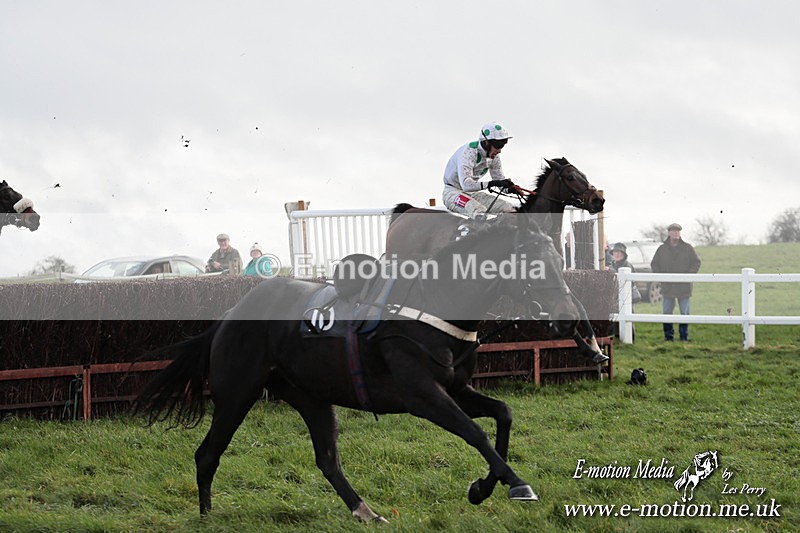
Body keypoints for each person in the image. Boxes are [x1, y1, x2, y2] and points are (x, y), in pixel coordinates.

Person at [442, 122, 517, 217]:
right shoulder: (468, 152)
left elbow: (499, 181)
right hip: (453, 193)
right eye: (498, 146)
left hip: (473, 194)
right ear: (486, 142)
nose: (499, 150)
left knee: (510, 209)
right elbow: (466, 185)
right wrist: (493, 183)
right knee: (480, 212)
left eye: (502, 146)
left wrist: (510, 189)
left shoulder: (495, 157)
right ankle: (465, 230)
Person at [650, 223, 701, 341]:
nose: (675, 233)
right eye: (673, 231)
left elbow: (696, 262)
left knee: (684, 312)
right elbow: (654, 264)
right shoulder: (662, 249)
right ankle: (668, 337)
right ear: (669, 233)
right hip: (668, 287)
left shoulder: (688, 248)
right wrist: (661, 276)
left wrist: (689, 275)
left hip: (684, 287)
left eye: (677, 231)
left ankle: (684, 337)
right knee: (667, 312)